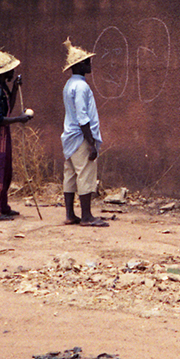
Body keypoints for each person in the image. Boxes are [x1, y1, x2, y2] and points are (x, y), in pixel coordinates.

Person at [0, 45, 34, 221]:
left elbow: (8, 106)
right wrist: (20, 119)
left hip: (4, 134)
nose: (13, 72)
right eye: (11, 70)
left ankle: (2, 206)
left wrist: (16, 89)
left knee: (5, 171)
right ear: (3, 72)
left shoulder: (1, 87)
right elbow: (0, 118)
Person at [61, 38, 108, 228]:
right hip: (80, 137)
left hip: (69, 136)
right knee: (85, 174)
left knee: (70, 175)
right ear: (80, 65)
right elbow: (83, 117)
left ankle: (70, 214)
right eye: (87, 61)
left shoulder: (68, 85)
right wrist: (90, 142)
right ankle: (87, 216)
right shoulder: (81, 87)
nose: (90, 64)